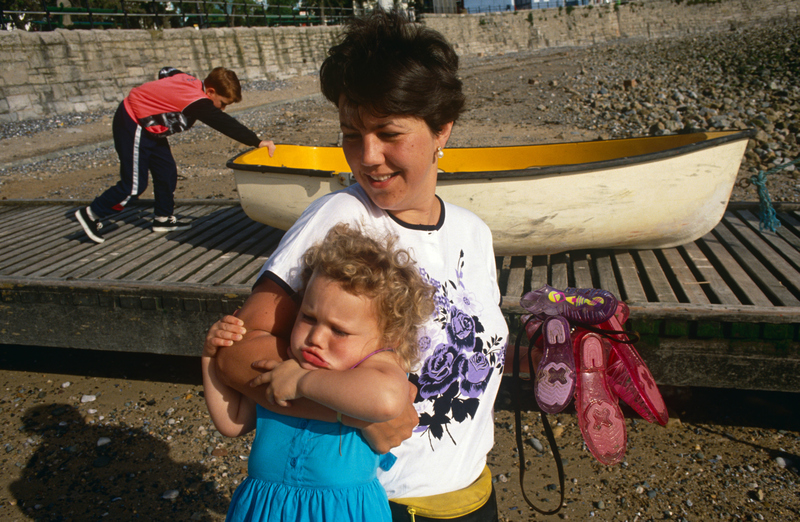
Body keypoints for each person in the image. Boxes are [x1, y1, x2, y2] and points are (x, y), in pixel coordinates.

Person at [204, 10, 509, 521]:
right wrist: (357, 411)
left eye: (388, 133)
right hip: (379, 503)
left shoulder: (473, 233)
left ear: (442, 131)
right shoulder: (341, 218)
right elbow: (237, 355)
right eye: (351, 134)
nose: (367, 156)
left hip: (473, 493)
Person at [202, 223, 435, 522]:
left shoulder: (372, 369)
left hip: (341, 512)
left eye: (339, 330)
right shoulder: (285, 363)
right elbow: (232, 422)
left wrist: (302, 382)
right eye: (308, 318)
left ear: (387, 339)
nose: (316, 338)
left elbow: (389, 400)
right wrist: (210, 357)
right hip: (265, 508)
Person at [75, 66, 276, 244]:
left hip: (152, 128)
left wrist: (160, 95)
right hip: (133, 121)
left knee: (166, 171)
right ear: (211, 91)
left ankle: (163, 218)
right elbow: (224, 123)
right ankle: (91, 213)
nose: (222, 108)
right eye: (222, 103)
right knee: (134, 185)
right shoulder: (197, 101)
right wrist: (257, 141)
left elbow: (167, 71)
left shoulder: (191, 82)